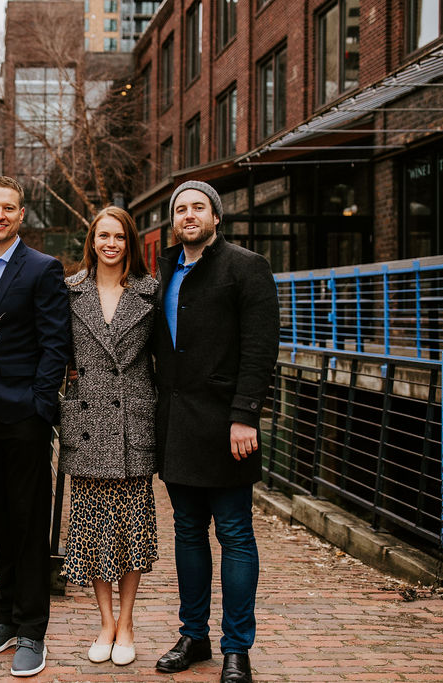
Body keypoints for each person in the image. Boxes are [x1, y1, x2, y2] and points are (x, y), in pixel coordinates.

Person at [153, 181, 279, 683]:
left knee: (234, 534)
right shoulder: (162, 270)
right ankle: (194, 635)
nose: (188, 214)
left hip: (229, 425)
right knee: (187, 532)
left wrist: (245, 413)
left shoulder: (246, 267)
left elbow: (260, 347)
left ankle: (236, 648)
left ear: (216, 217)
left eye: (198, 207)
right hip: (177, 424)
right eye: (180, 208)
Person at [0, 176, 71, 677]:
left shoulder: (43, 268)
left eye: (9, 208)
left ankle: (32, 631)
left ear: (22, 214)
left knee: (27, 524)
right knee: (0, 521)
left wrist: (40, 408)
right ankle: (4, 618)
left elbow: (54, 344)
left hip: (23, 415)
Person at [59, 206, 159, 668]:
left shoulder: (149, 292)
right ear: (92, 240)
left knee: (132, 530)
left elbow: (164, 361)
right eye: (104, 235)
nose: (111, 243)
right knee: (94, 529)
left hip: (134, 417)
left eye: (119, 236)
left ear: (130, 242)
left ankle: (128, 621)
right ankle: (104, 622)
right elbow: (56, 355)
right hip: (87, 418)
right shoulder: (70, 291)